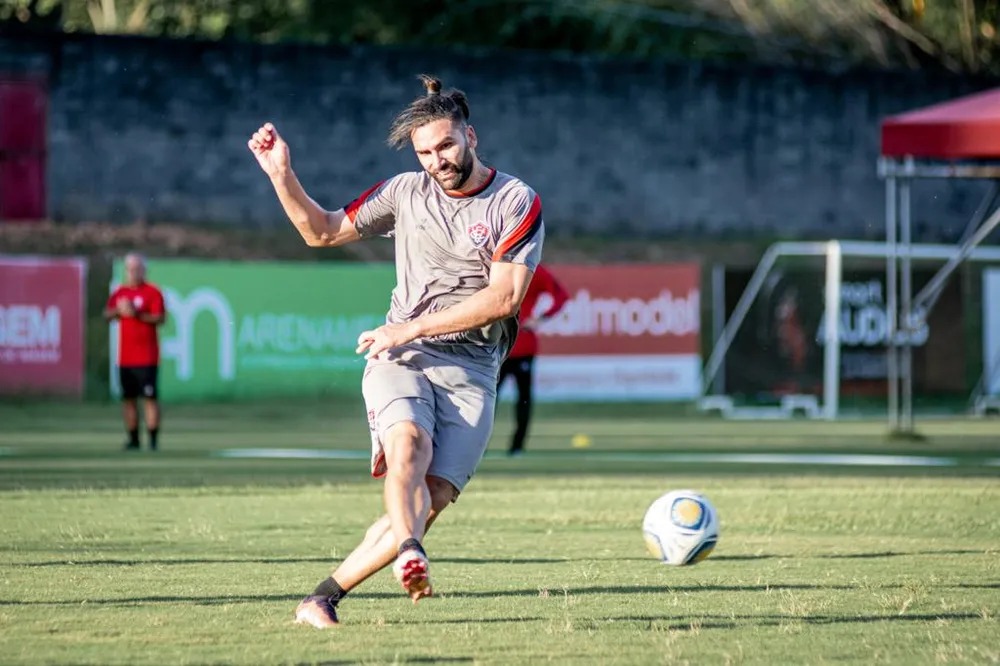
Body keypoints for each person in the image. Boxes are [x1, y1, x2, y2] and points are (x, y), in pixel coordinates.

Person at [248, 74, 544, 628]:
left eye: (447, 146)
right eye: (426, 152)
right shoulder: (405, 192)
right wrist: (282, 175)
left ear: (471, 137)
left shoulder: (515, 201)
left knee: (428, 498)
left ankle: (321, 598)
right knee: (407, 446)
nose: (437, 161)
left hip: (474, 370)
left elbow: (504, 297)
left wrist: (407, 328)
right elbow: (323, 232)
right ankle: (411, 551)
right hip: (402, 362)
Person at [497, 263, 569, 456]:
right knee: (487, 400)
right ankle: (477, 446)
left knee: (523, 399)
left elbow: (561, 297)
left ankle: (517, 447)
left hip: (522, 346)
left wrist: (541, 318)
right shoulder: (498, 267)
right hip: (497, 346)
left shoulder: (535, 271)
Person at [104, 253, 167, 451]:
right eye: (130, 269)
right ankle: (133, 439)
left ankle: (153, 439)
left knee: (149, 399)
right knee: (128, 399)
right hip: (126, 357)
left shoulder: (152, 292)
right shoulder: (120, 292)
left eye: (137, 268)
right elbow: (107, 314)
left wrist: (137, 314)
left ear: (144, 270)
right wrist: (118, 312)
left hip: (147, 356)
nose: (134, 272)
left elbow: (160, 318)